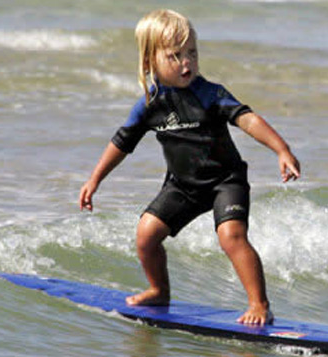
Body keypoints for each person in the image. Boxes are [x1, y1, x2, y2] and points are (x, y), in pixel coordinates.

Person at [78, 9, 300, 326]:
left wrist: (281, 149)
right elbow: (121, 143)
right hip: (183, 185)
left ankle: (259, 304)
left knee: (231, 236)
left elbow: (247, 119)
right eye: (175, 56)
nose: (187, 63)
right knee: (146, 234)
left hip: (226, 180)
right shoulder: (149, 105)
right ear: (149, 62)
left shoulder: (210, 93)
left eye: (192, 53)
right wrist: (94, 180)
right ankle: (158, 290)